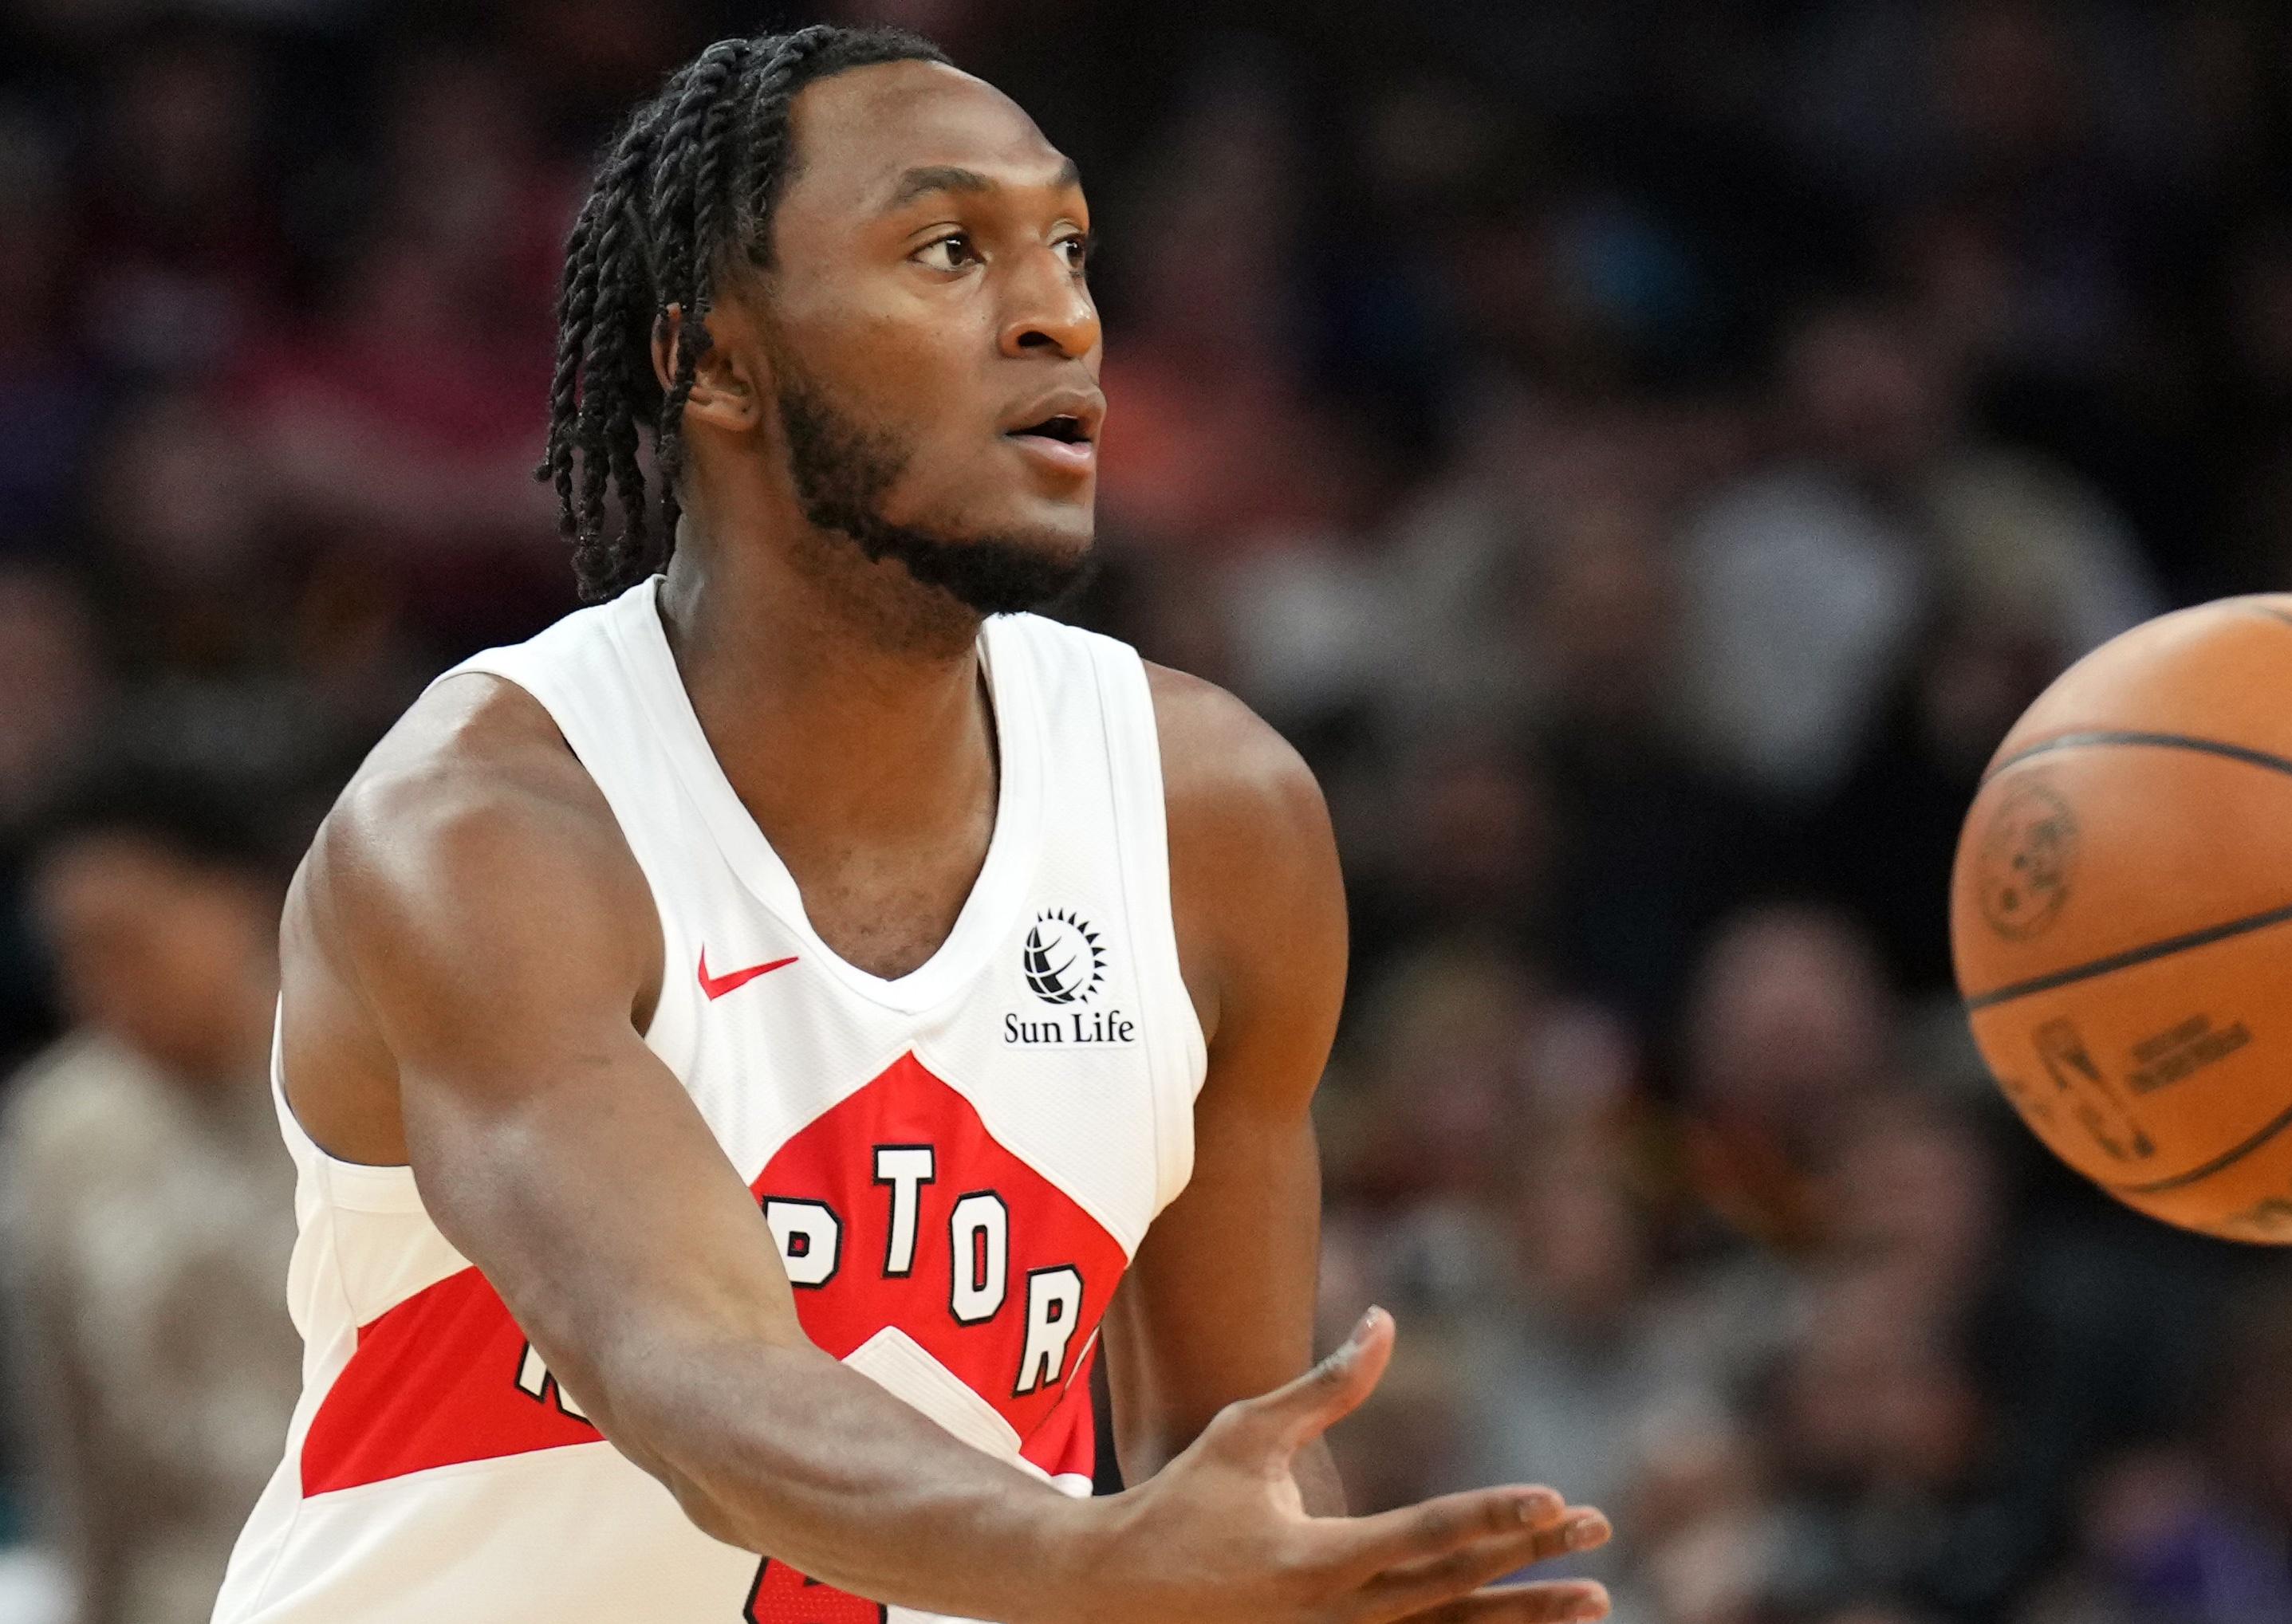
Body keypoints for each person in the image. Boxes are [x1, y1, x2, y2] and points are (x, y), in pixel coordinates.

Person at [210, 26, 1609, 1624]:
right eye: (948, 249)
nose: (1056, 314)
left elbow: (1220, 1468)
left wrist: (1322, 1597)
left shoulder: (1212, 820)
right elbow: (685, 1370)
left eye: (1070, 248)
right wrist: (1091, 1559)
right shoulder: (483, 830)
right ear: (713, 358)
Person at [3, 761, 301, 1624]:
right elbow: (69, 1427)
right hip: (184, 1588)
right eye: (72, 954)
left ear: (234, 901)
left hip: (385, 1562)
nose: (94, 984)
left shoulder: (374, 1087)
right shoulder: (62, 1131)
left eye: (123, 941)